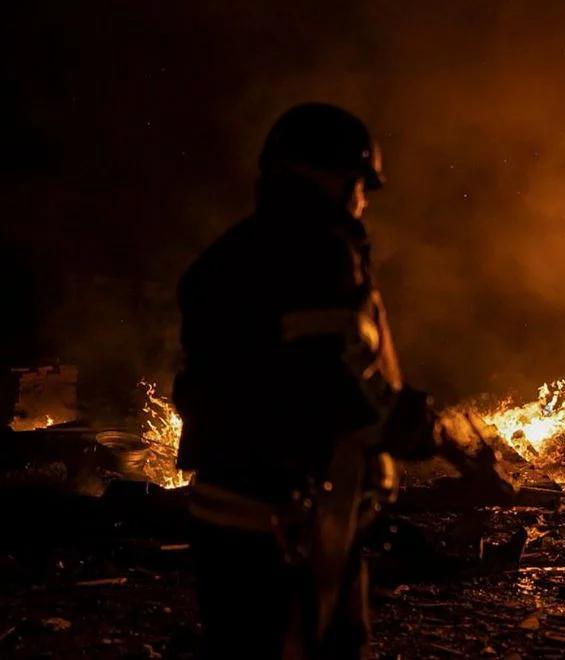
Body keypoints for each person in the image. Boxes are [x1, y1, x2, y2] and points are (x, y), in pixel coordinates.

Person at [173, 103, 511, 659]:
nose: (363, 201)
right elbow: (333, 381)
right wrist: (429, 434)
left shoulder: (226, 256)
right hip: (292, 520)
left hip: (226, 511)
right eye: (361, 184)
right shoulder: (318, 250)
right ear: (332, 175)